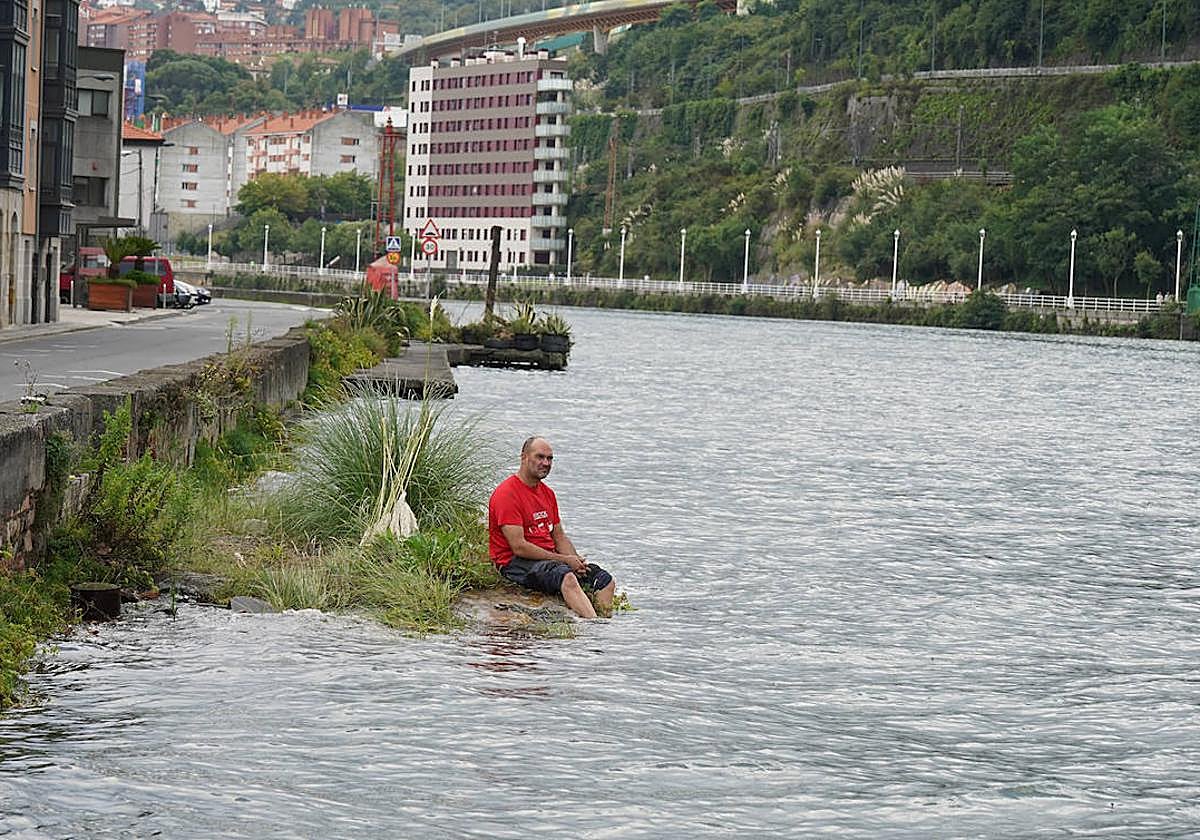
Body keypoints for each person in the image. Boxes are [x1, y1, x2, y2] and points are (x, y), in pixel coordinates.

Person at [488, 436, 615, 619]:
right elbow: (519, 546)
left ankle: (604, 625)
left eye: (550, 459)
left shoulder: (548, 494)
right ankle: (593, 631)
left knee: (604, 580)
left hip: (549, 560)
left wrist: (576, 561)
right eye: (540, 457)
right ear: (524, 457)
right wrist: (564, 560)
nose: (545, 463)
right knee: (566, 577)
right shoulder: (507, 494)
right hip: (514, 562)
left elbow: (559, 537)